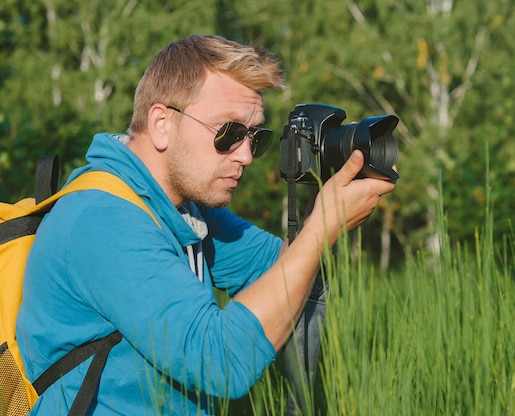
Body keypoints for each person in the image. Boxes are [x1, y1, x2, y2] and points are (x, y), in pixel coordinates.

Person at [16, 34, 396, 415]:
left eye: (255, 137)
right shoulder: (102, 220)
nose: (246, 155)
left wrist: (329, 203)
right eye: (228, 133)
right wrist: (321, 229)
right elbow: (221, 363)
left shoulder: (182, 207)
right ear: (162, 124)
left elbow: (284, 267)